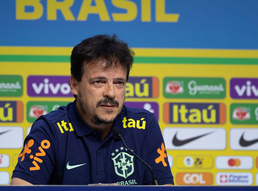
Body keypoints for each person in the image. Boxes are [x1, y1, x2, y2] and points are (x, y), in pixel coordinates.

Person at [11, 34, 173, 185]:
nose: (111, 93)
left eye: (119, 83)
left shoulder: (145, 125)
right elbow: (20, 187)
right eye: (99, 82)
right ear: (74, 85)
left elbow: (165, 186)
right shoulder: (49, 130)